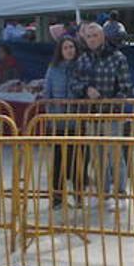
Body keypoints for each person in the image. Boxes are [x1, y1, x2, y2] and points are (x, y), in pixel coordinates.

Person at [76, 21, 133, 211]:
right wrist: (86, 89)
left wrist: (111, 102)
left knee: (115, 154)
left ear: (102, 37)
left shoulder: (118, 58)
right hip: (91, 114)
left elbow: (126, 87)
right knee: (97, 155)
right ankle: (103, 193)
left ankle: (120, 194)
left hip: (112, 114)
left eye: (95, 36)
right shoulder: (82, 59)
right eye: (89, 36)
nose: (92, 39)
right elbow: (74, 83)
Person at [44, 36, 84, 208]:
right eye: (66, 47)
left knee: (77, 160)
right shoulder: (53, 69)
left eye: (71, 47)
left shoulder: (81, 67)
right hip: (58, 122)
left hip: (76, 122)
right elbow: (47, 93)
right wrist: (52, 116)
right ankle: (58, 198)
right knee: (58, 161)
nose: (69, 50)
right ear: (60, 51)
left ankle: (79, 196)